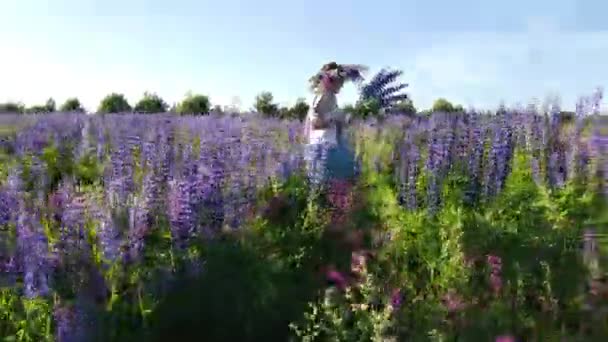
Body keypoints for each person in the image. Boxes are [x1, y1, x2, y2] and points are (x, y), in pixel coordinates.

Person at [304, 62, 366, 186]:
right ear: (330, 80)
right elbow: (316, 123)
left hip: (326, 147)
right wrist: (334, 117)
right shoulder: (324, 96)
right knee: (342, 181)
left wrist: (344, 120)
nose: (342, 85)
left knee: (331, 188)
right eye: (340, 81)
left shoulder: (329, 96)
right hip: (323, 149)